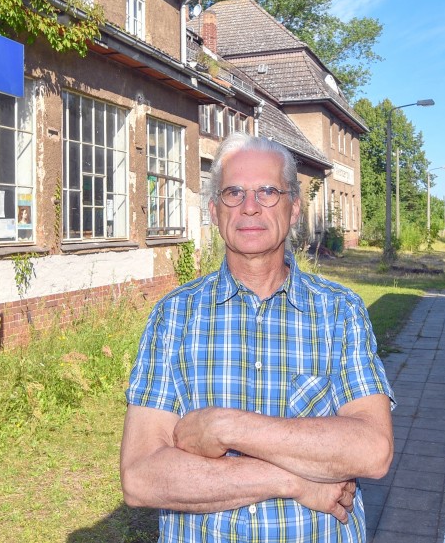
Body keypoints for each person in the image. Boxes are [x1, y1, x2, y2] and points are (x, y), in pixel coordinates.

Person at [120, 133, 395, 541]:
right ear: (215, 211)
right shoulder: (172, 316)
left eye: (267, 191)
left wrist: (225, 426)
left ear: (294, 208)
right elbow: (141, 477)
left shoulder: (341, 312)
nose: (250, 207)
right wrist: (295, 481)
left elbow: (373, 450)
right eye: (234, 193)